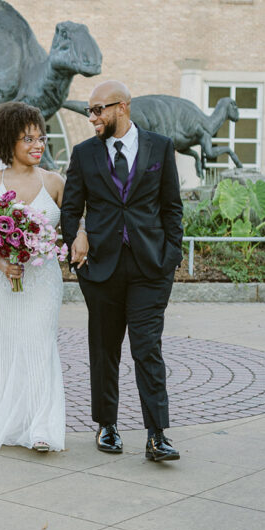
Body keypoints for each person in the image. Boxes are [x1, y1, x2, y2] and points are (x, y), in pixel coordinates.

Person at [61, 80, 184, 463]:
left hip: (151, 267)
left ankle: (157, 435)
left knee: (147, 348)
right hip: (101, 269)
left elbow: (172, 208)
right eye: (89, 111)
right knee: (104, 349)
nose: (93, 118)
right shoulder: (84, 154)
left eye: (99, 110)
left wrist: (171, 257)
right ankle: (107, 425)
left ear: (123, 107)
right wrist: (76, 238)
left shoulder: (160, 147)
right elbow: (70, 208)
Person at [0, 101, 66, 453]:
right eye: (28, 139)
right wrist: (0, 263)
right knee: (4, 346)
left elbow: (71, 228)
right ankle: (1, 423)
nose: (38, 145)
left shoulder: (55, 182)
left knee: (39, 346)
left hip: (43, 282)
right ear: (9, 142)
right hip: (0, 281)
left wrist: (51, 244)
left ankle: (41, 428)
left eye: (41, 138)